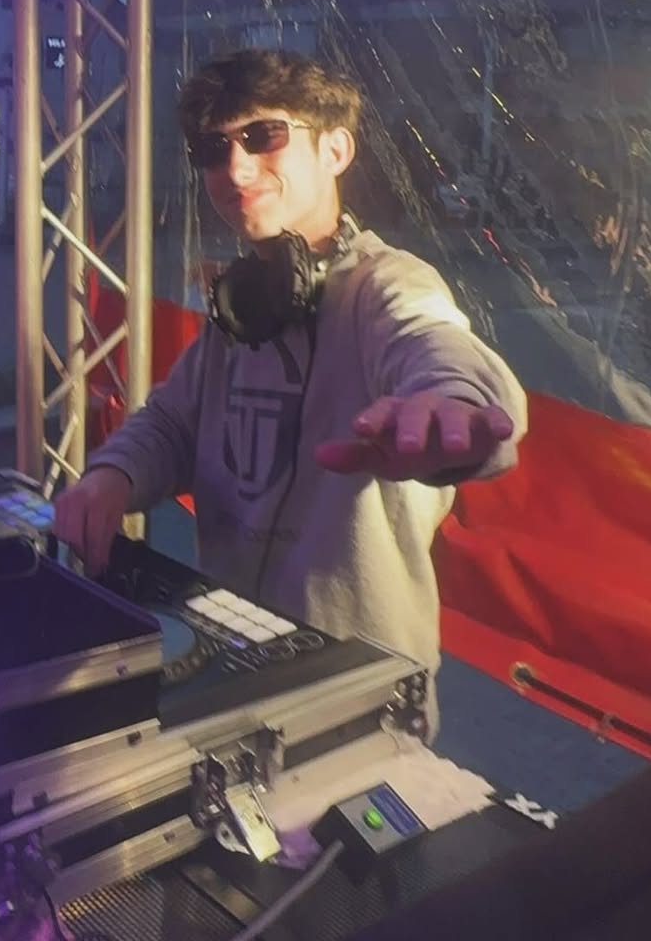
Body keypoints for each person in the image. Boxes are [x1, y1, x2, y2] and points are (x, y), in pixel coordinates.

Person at [55, 48, 528, 732]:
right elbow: (173, 425)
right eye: (214, 149)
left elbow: (433, 340)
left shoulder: (385, 285)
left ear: (335, 149)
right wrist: (110, 477)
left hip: (358, 694)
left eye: (263, 135)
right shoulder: (240, 308)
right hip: (233, 661)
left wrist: (451, 398)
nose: (236, 168)